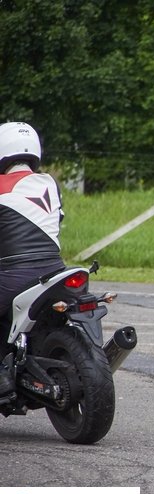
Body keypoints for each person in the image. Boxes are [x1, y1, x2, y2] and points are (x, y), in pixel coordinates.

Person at [0, 122, 66, 400]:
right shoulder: (50, 183)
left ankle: (3, 377)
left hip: (15, 275)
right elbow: (58, 220)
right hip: (55, 270)